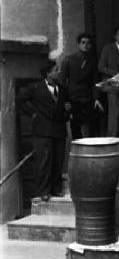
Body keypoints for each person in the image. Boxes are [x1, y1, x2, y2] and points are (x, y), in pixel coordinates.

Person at [16, 60, 70, 201]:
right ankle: (44, 191)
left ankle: (56, 189)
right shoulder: (35, 88)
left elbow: (67, 106)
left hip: (59, 131)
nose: (58, 72)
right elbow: (20, 99)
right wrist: (32, 113)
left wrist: (67, 114)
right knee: (44, 162)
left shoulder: (62, 89)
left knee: (58, 161)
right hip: (42, 131)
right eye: (55, 70)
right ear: (48, 73)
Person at [59, 32, 103, 139]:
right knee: (75, 126)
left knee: (93, 123)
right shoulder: (69, 60)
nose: (85, 45)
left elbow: (95, 81)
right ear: (78, 44)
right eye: (83, 43)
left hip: (87, 97)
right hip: (73, 98)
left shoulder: (92, 62)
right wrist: (65, 100)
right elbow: (62, 82)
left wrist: (96, 98)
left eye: (88, 43)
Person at [98, 26, 119, 137]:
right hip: (112, 85)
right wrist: (117, 73)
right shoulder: (108, 48)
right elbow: (101, 67)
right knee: (114, 112)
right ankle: (112, 137)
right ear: (115, 37)